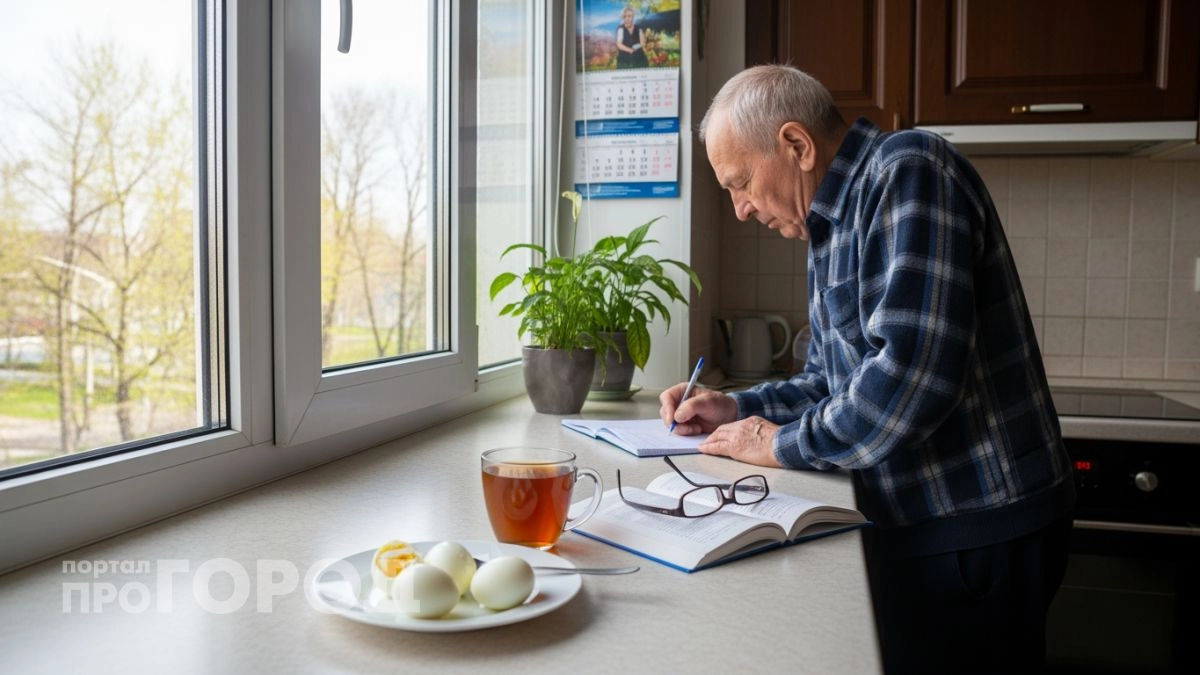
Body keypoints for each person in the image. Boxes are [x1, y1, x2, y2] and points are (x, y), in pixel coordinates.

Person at [662, 65, 1075, 674]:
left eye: (741, 182)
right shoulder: (828, 224)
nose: (741, 209)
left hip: (979, 526)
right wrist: (739, 408)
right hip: (925, 524)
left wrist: (782, 446)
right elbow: (832, 385)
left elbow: (910, 379)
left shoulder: (909, 169)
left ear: (797, 145)